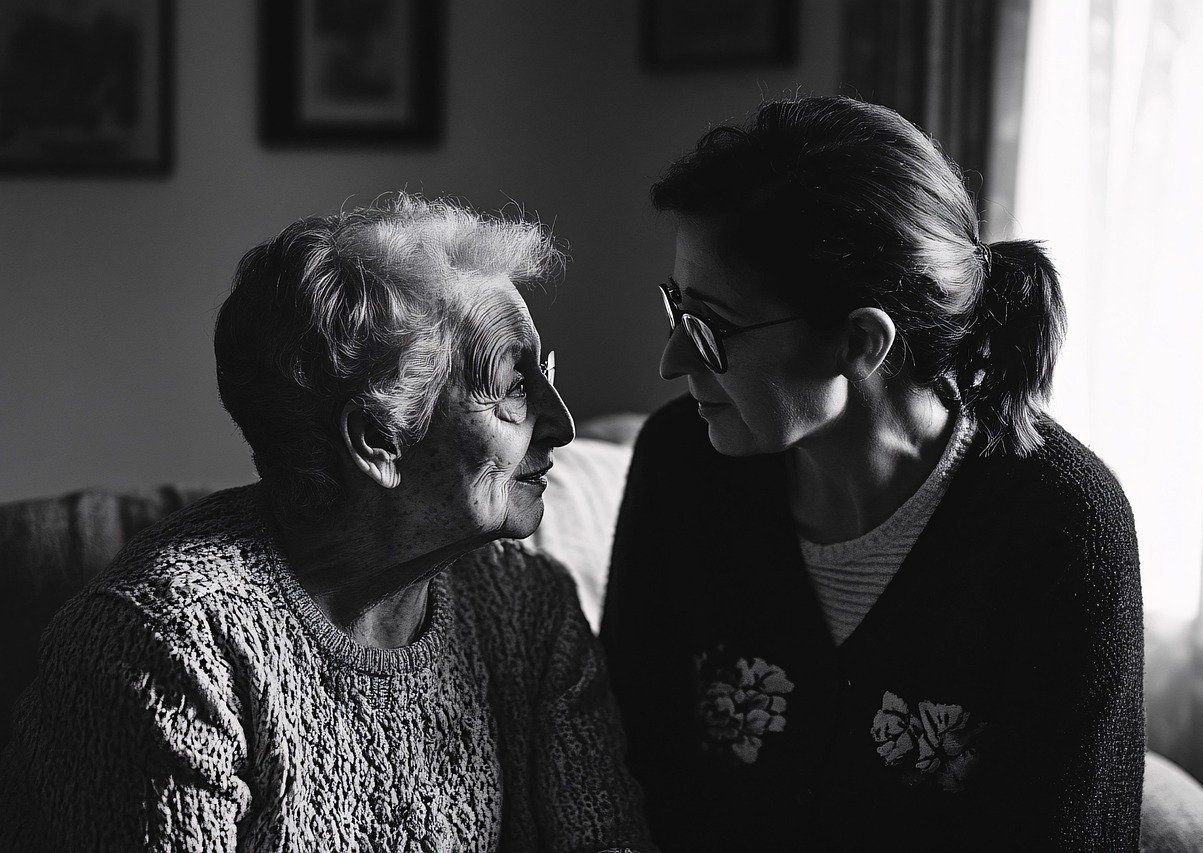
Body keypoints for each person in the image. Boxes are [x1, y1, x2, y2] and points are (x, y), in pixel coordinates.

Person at [0, 195, 652, 852]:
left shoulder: (530, 608)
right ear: (377, 438)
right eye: (515, 385)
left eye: (547, 373)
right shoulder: (168, 645)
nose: (563, 424)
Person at [601, 97, 1144, 851]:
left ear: (860, 341)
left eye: (712, 328)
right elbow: (626, 766)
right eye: (676, 308)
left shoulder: (1062, 526)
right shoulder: (679, 464)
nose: (673, 362)